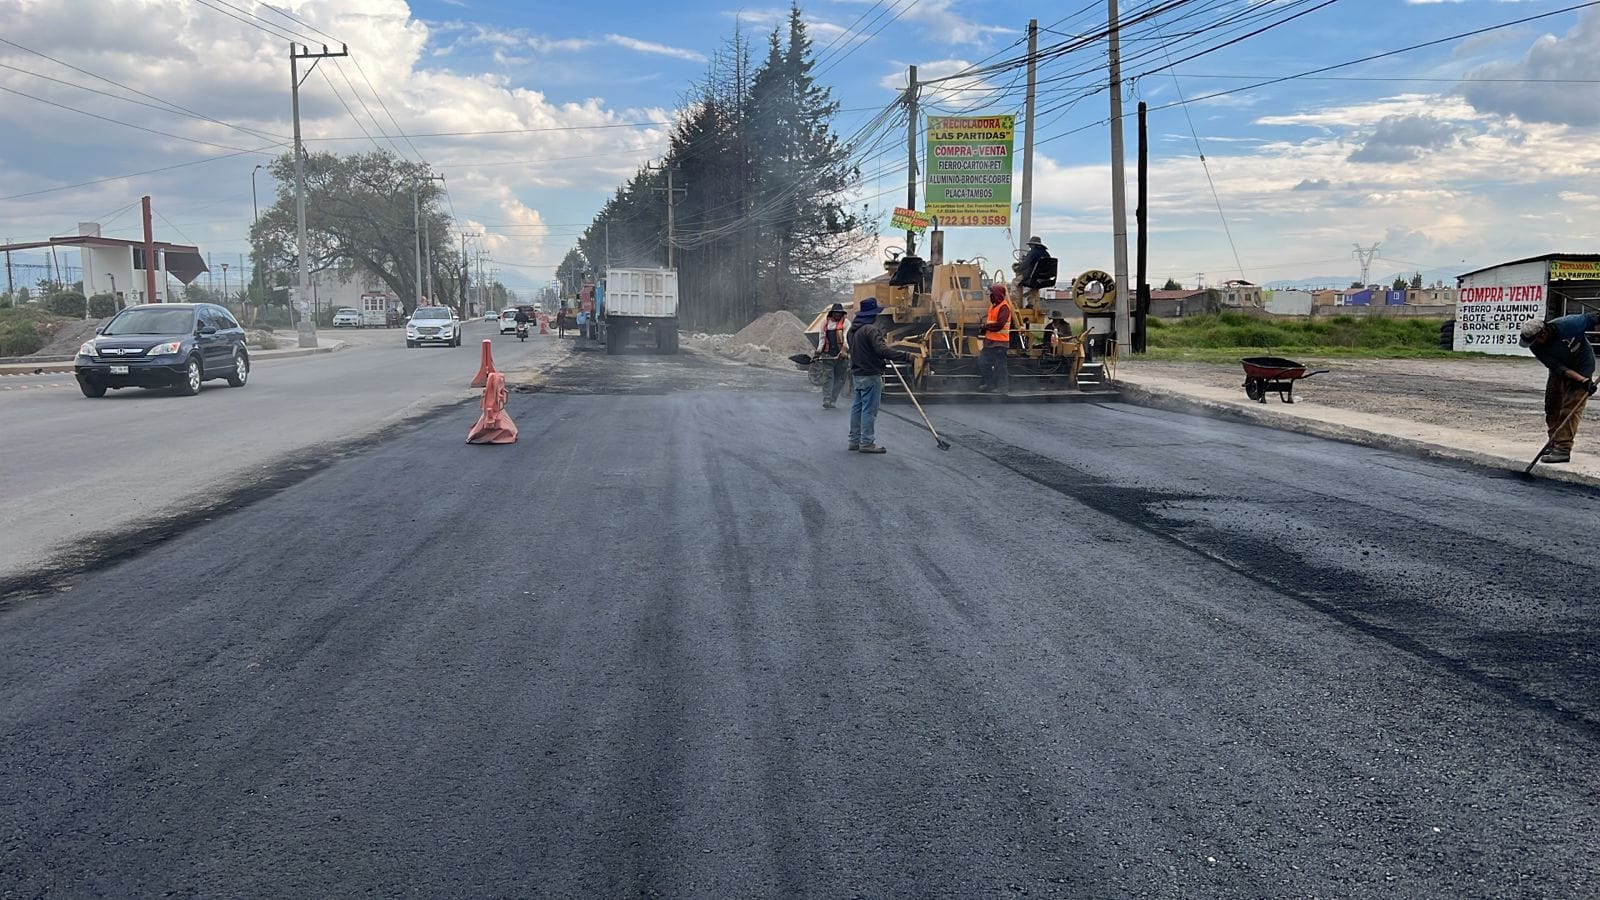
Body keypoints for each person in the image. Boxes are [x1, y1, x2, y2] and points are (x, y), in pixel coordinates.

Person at [1521, 311, 1600, 463]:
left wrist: (1585, 380)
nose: (1533, 344)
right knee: (1552, 406)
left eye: (1535, 340)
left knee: (1570, 408)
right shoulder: (1535, 346)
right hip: (1560, 371)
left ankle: (1563, 449)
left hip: (1583, 365)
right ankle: (1553, 442)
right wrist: (1582, 381)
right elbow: (1558, 367)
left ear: (1543, 333)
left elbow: (1596, 317)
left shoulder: (1571, 324)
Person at [846, 298, 911, 454]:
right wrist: (905, 356)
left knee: (857, 407)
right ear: (872, 315)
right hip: (870, 374)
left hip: (857, 373)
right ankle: (867, 442)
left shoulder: (852, 331)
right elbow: (882, 350)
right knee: (869, 409)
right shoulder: (870, 330)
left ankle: (854, 440)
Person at [816, 303, 850, 409]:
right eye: (835, 313)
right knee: (828, 377)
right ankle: (826, 398)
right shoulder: (825, 323)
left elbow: (846, 338)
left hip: (841, 355)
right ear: (832, 313)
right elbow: (822, 338)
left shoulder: (846, 323)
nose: (837, 315)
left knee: (840, 378)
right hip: (828, 354)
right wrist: (818, 352)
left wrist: (844, 351)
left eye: (839, 313)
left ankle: (833, 399)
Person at [979, 283, 1011, 394]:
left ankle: (1003, 387)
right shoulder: (993, 307)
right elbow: (991, 322)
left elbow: (1000, 324)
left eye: (992, 295)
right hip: (990, 342)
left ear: (997, 295)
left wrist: (986, 327)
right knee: (983, 362)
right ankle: (990, 384)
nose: (990, 297)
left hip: (1000, 343)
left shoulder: (1004, 307)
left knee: (1000, 366)